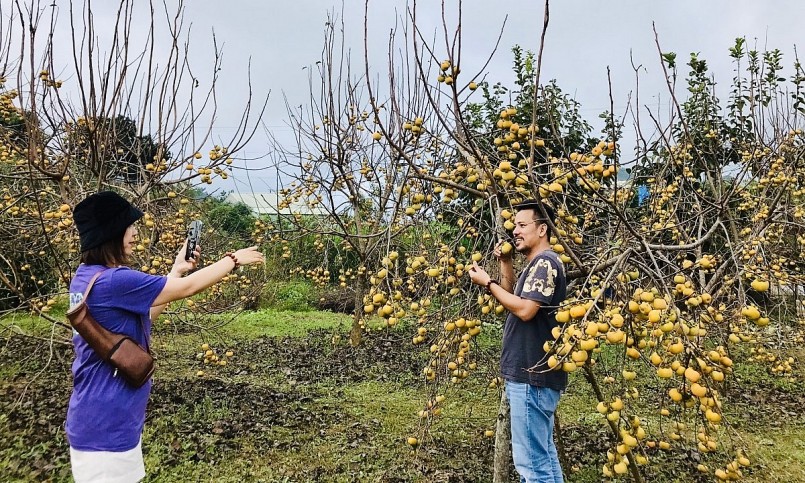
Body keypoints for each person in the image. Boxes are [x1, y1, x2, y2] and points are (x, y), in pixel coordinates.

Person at [66, 191, 264, 482]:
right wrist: (233, 260)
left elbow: (144, 317)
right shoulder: (114, 281)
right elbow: (187, 289)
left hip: (103, 421)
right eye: (129, 227)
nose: (135, 233)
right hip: (105, 430)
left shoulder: (86, 277)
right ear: (110, 233)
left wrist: (176, 270)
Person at [469, 199, 567, 483]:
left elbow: (525, 310)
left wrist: (488, 283)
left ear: (542, 230)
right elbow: (512, 297)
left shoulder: (545, 264)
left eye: (523, 225)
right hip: (533, 375)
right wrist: (505, 263)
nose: (516, 231)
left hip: (531, 375)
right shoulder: (536, 264)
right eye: (516, 226)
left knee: (532, 467)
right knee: (544, 458)